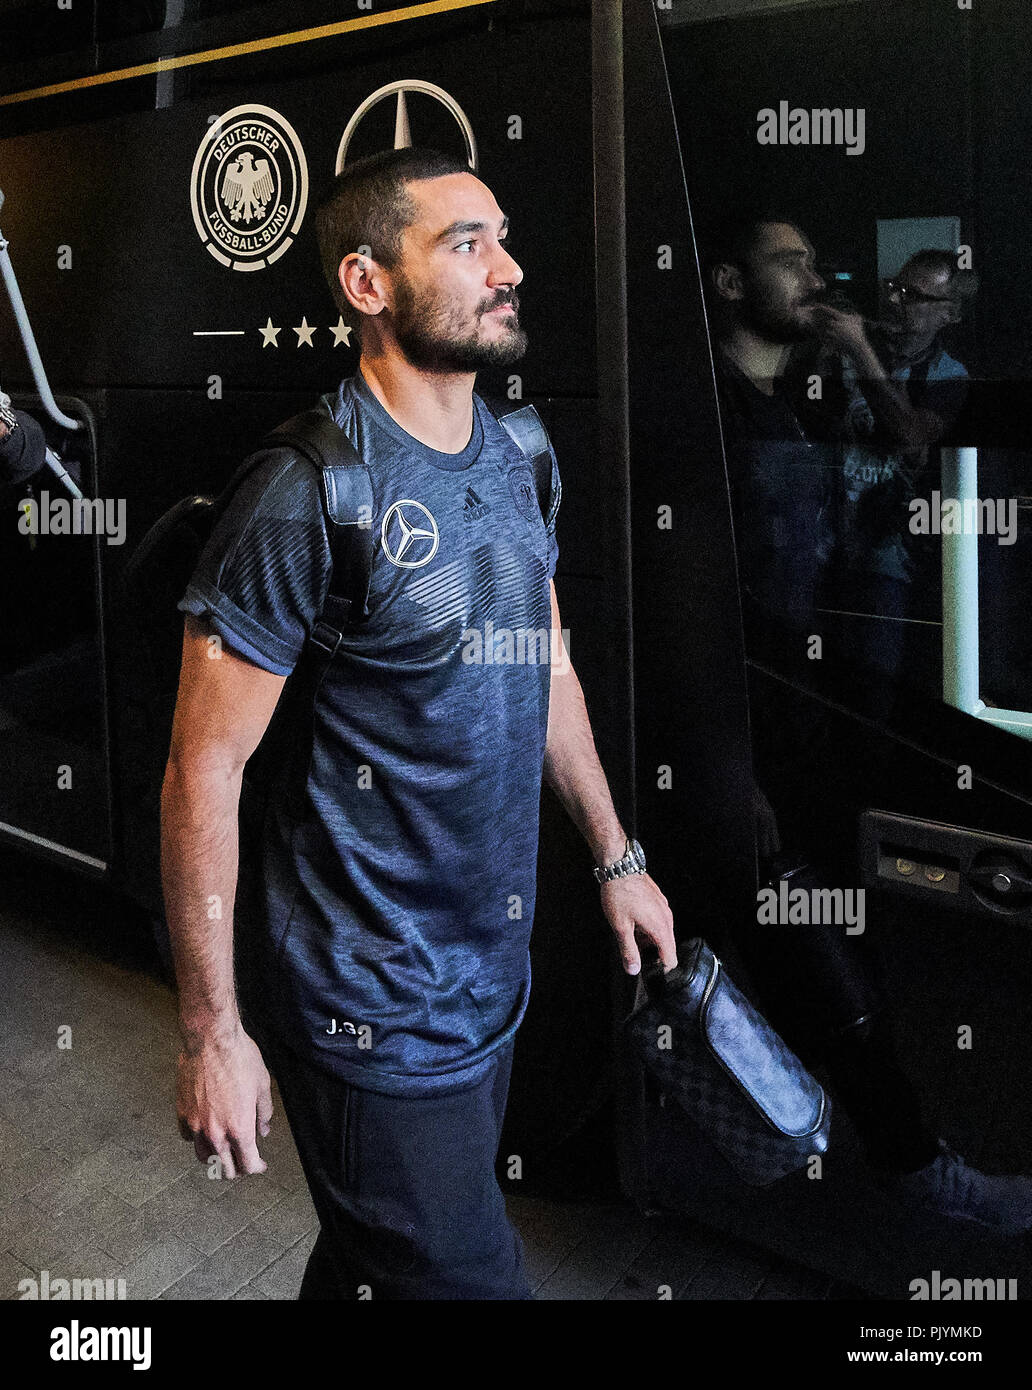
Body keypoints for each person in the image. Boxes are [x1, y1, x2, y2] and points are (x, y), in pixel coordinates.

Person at [161, 146, 676, 1300]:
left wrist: (617, 856)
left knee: (373, 1259)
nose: (510, 267)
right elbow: (204, 770)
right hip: (365, 1009)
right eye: (467, 243)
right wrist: (211, 1031)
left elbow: (546, 671)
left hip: (488, 978)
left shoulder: (519, 451)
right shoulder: (308, 495)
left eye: (501, 237)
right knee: (467, 1276)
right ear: (366, 284)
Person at [704, 216, 1032, 1236]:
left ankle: (838, 1140)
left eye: (815, 258)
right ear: (725, 282)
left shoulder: (792, 398)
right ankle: (908, 1162)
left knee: (839, 919)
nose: (816, 277)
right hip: (756, 724)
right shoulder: (713, 410)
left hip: (815, 707)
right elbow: (702, 601)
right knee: (810, 943)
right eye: (788, 261)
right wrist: (728, 763)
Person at [803, 250, 977, 694]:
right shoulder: (851, 352)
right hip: (821, 544)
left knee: (873, 687)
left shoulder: (948, 375)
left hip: (888, 560)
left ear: (949, 313)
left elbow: (908, 436)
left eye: (914, 295)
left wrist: (859, 349)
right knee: (809, 683)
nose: (896, 301)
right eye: (895, 288)